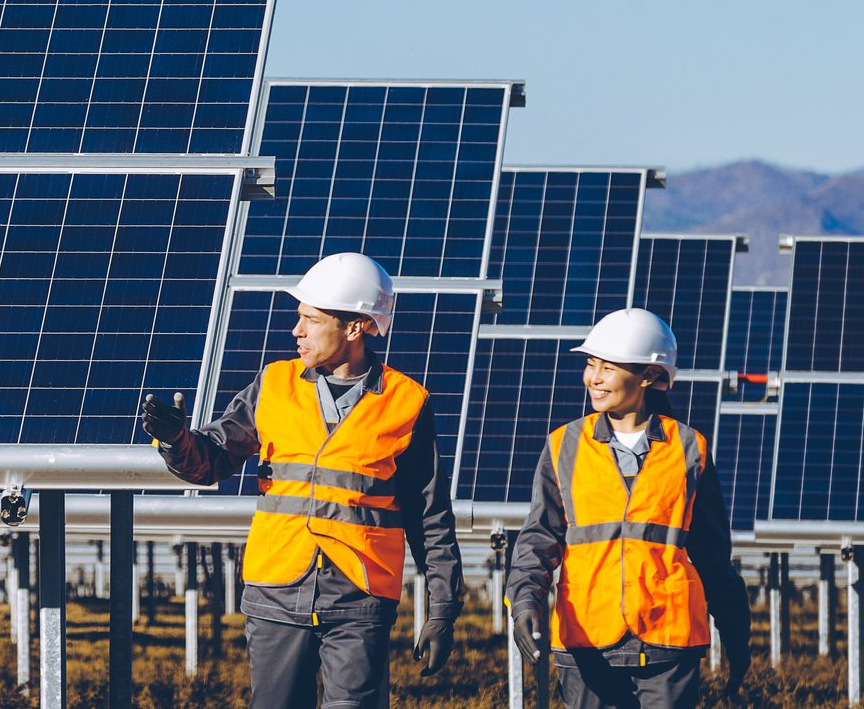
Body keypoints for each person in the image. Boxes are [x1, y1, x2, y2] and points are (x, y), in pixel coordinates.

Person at [140, 252, 463, 709]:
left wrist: (442, 610)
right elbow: (209, 462)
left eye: (310, 320)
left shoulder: (407, 402)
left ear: (355, 327)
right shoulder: (273, 384)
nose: (296, 331)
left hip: (360, 596)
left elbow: (429, 516)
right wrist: (177, 440)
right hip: (276, 590)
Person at [504, 307, 752, 708]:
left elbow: (713, 555)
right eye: (590, 364)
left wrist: (736, 634)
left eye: (607, 367)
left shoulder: (690, 448)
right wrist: (524, 601)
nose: (593, 378)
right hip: (585, 637)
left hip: (667, 644)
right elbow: (539, 538)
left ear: (649, 376)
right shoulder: (563, 445)